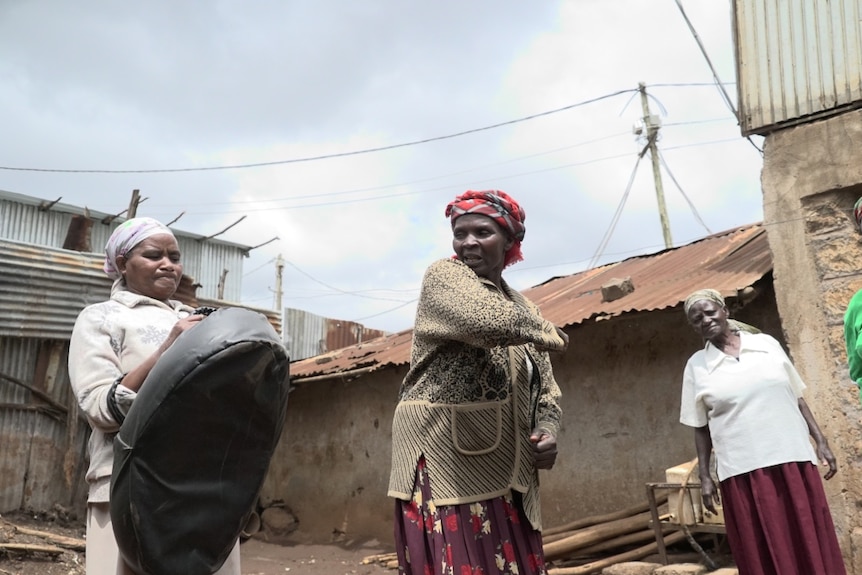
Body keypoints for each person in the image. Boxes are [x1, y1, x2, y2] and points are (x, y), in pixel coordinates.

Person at [388, 190, 569, 575]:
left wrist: (547, 430)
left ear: (510, 242)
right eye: (460, 233)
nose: (468, 242)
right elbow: (485, 321)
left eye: (482, 232)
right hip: (446, 460)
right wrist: (547, 331)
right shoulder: (445, 277)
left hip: (507, 470)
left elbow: (547, 391)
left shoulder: (524, 308)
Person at [68, 217, 240, 575]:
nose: (168, 264)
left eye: (174, 257)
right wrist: (168, 349)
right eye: (153, 255)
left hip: (203, 487)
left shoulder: (202, 320)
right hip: (129, 488)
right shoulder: (102, 319)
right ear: (121, 264)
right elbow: (100, 407)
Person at [679, 288, 845, 575]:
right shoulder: (697, 367)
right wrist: (705, 477)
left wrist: (821, 441)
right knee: (763, 549)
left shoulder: (766, 345)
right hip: (743, 471)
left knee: (808, 537)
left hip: (792, 458)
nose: (705, 320)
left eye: (709, 312)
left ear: (725, 311)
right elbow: (700, 427)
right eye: (697, 319)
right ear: (693, 327)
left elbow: (797, 398)